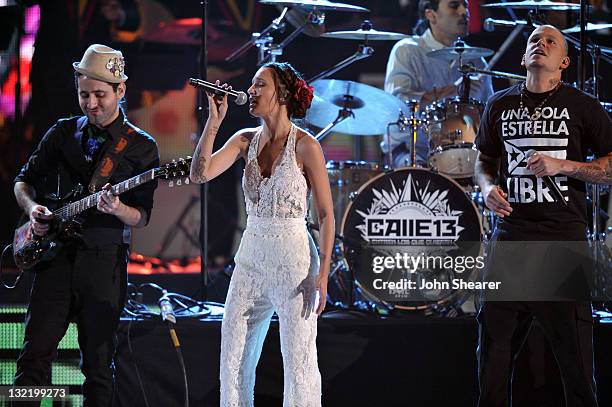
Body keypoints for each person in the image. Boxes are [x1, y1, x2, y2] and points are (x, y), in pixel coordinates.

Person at [13, 44, 159, 406]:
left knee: (97, 367)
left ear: (120, 91)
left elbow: (142, 216)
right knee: (33, 359)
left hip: (103, 263)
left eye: (100, 95)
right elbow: (23, 181)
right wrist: (33, 209)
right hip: (54, 260)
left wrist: (118, 208)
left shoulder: (141, 147)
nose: (92, 104)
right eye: (84, 95)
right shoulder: (62, 133)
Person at [474, 25, 612, 407]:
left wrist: (562, 165)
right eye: (534, 39)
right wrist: (486, 188)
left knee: (577, 365)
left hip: (561, 241)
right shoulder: (498, 104)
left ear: (564, 62)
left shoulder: (584, 106)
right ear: (523, 58)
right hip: (510, 242)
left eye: (551, 41)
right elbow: (484, 159)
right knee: (494, 361)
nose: (542, 43)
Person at [189, 62, 334, 406]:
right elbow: (200, 174)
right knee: (234, 354)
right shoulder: (243, 141)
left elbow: (326, 215)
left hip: (294, 262)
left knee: (298, 360)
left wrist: (325, 274)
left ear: (281, 93)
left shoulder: (306, 146)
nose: (251, 91)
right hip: (251, 259)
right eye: (251, 86)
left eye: (259, 85)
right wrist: (214, 121)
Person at [382, 0, 493, 168]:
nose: (464, 12)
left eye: (466, 6)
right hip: (411, 150)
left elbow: (489, 119)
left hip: (464, 153)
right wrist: (451, 91)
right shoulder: (407, 50)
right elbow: (396, 106)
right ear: (431, 15)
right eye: (454, 6)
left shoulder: (476, 60)